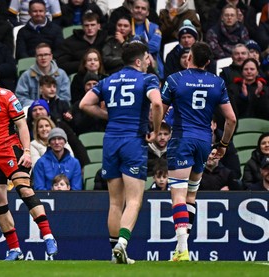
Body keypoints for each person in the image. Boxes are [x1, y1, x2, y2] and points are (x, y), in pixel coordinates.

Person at [79, 41, 163, 264]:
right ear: (138, 61)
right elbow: (157, 103)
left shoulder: (108, 80)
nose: (148, 62)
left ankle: (114, 253)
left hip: (110, 141)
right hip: (132, 141)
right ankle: (123, 244)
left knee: (115, 202)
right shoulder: (147, 79)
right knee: (134, 200)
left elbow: (84, 104)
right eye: (146, 58)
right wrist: (155, 131)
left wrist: (111, 116)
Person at [0, 62, 57, 260]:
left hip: (10, 149)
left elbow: (22, 125)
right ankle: (15, 249)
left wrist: (27, 151)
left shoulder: (7, 96)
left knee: (24, 188)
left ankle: (48, 236)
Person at [161, 42, 237, 261]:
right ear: (208, 62)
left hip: (182, 139)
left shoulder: (175, 79)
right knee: (191, 195)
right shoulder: (217, 82)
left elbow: (160, 111)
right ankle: (181, 248)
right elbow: (231, 119)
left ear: (189, 58)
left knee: (177, 194)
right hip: (204, 141)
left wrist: (157, 128)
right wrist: (222, 144)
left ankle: (182, 248)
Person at [15, 42, 71, 107]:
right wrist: (38, 105)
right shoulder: (26, 76)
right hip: (34, 110)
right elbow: (20, 98)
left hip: (56, 110)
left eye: (46, 54)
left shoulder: (61, 74)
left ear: (51, 56)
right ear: (36, 57)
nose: (43, 58)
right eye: (40, 55)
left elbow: (65, 98)